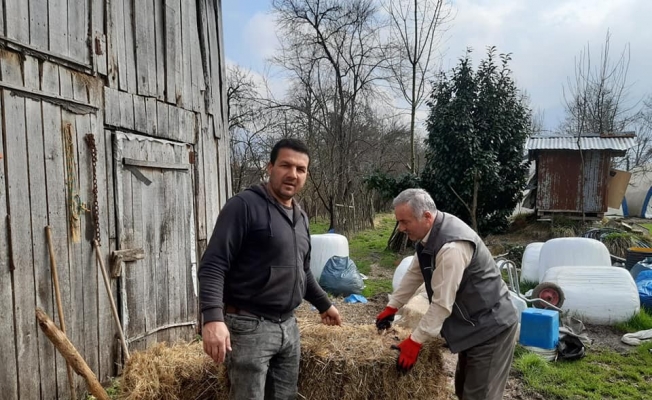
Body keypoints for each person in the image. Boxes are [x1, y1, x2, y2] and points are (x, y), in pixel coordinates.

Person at [199, 138, 342, 400]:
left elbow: (302, 270)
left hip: (288, 326)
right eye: (286, 165)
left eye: (301, 169)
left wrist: (324, 304)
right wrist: (213, 319)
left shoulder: (300, 217)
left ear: (306, 175)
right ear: (270, 167)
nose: (293, 174)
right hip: (249, 326)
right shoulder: (243, 206)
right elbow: (213, 264)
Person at [376, 188, 518, 400]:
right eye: (399, 222)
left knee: (479, 396)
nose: (401, 228)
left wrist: (415, 341)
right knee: (463, 390)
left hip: (491, 326)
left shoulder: (452, 247)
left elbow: (442, 304)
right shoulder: (428, 235)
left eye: (405, 222)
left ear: (426, 216)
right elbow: (415, 273)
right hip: (472, 324)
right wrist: (392, 306)